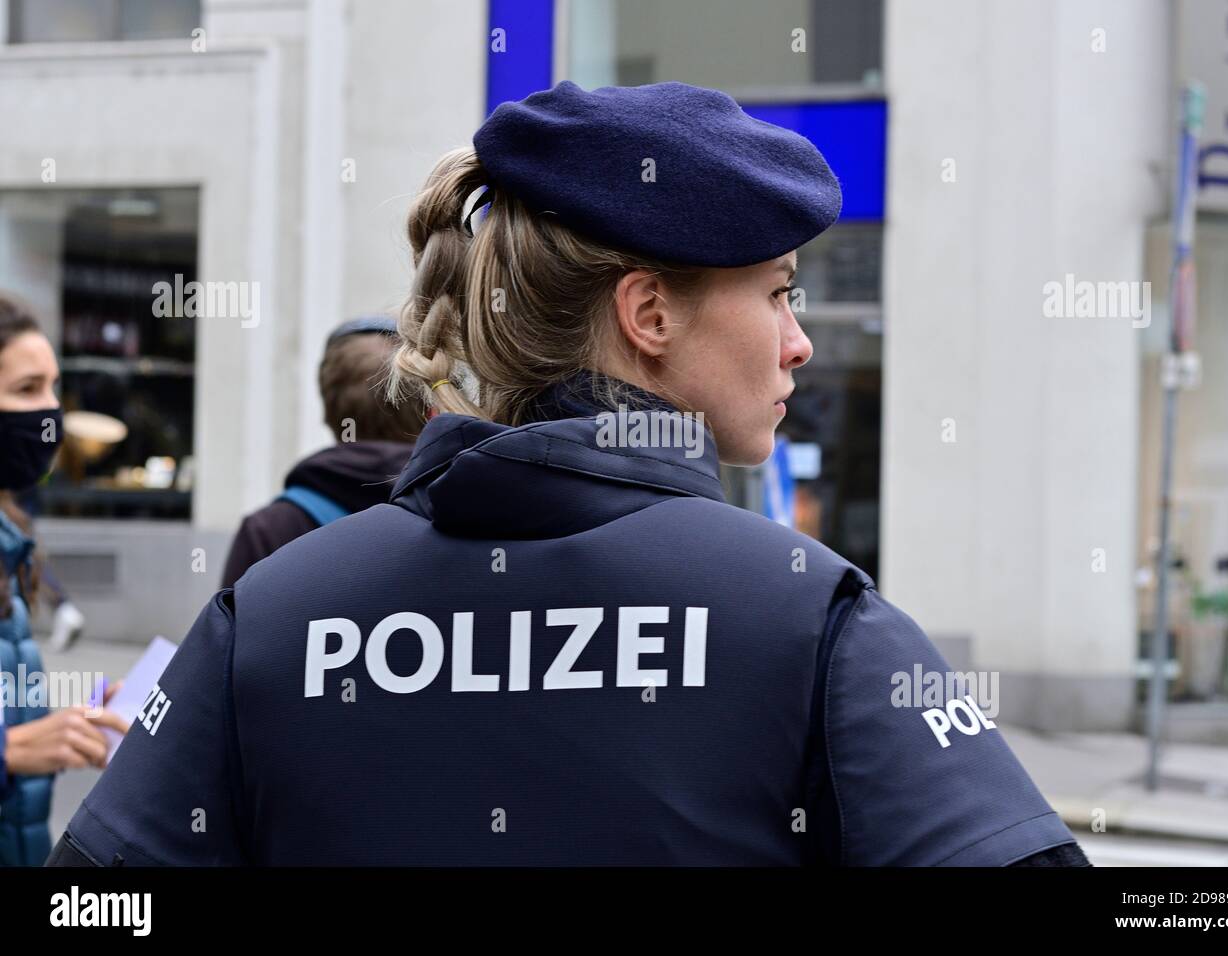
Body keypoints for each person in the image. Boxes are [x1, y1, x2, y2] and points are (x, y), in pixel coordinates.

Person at [49, 81, 1089, 866]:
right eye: (777, 294)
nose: (799, 342)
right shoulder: (810, 619)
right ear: (647, 313)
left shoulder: (269, 616)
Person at [0, 293, 129, 866]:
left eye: (54, 388)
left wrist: (68, 721)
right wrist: (11, 751)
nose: (50, 412)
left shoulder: (13, 541)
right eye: (27, 390)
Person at [220, 316, 424, 589]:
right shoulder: (462, 514)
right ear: (427, 410)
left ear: (329, 412)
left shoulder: (270, 530)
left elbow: (228, 628)